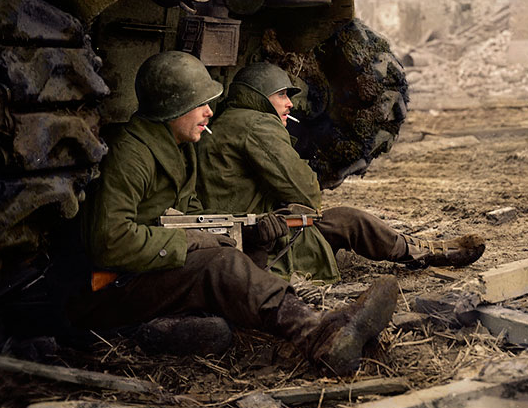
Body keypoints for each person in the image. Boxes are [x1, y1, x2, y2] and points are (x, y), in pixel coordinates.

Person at [66, 51, 397, 375]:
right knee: (219, 264)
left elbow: (191, 217)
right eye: (201, 104)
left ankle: (341, 337)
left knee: (224, 268)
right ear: (173, 107)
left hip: (145, 273)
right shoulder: (130, 154)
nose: (210, 112)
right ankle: (319, 336)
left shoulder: (180, 150)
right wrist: (189, 241)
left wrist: (247, 236)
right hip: (108, 289)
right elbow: (109, 241)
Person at [196, 61, 486, 284]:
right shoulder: (258, 125)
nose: (290, 103)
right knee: (351, 221)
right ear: (259, 97)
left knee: (345, 221)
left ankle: (420, 250)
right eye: (282, 95)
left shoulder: (229, 122)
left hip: (242, 238)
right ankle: (428, 252)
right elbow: (307, 194)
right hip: (261, 245)